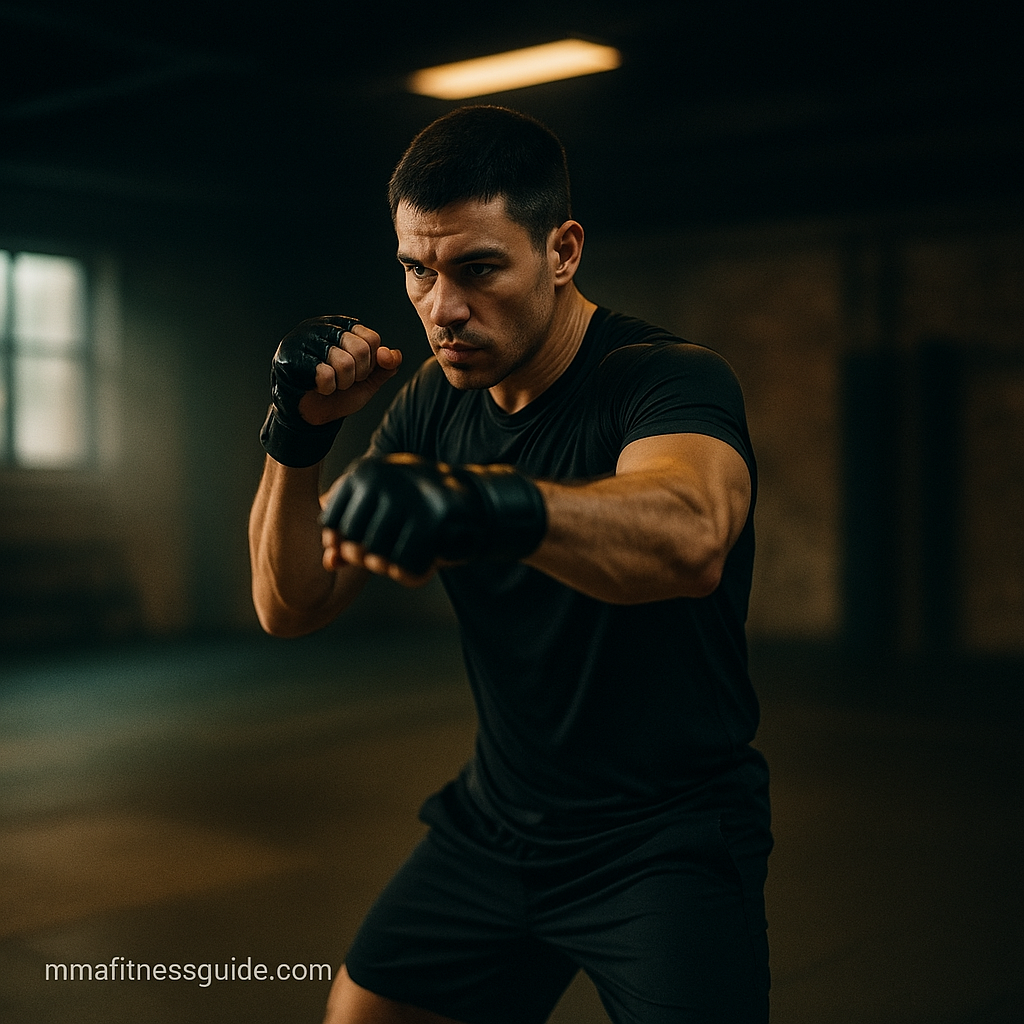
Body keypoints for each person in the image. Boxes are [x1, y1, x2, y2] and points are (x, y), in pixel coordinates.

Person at [248, 105, 771, 1024]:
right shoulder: (434, 404)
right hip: (497, 824)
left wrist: (485, 503)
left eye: (480, 267)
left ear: (562, 250)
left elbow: (690, 535)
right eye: (419, 269)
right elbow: (293, 603)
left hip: (662, 839)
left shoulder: (666, 378)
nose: (443, 307)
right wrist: (298, 440)